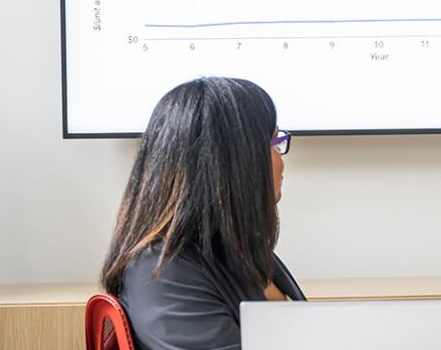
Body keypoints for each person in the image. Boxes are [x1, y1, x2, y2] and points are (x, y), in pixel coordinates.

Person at [101, 77, 305, 350]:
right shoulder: (164, 272)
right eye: (275, 141)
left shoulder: (236, 249)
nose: (281, 157)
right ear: (236, 161)